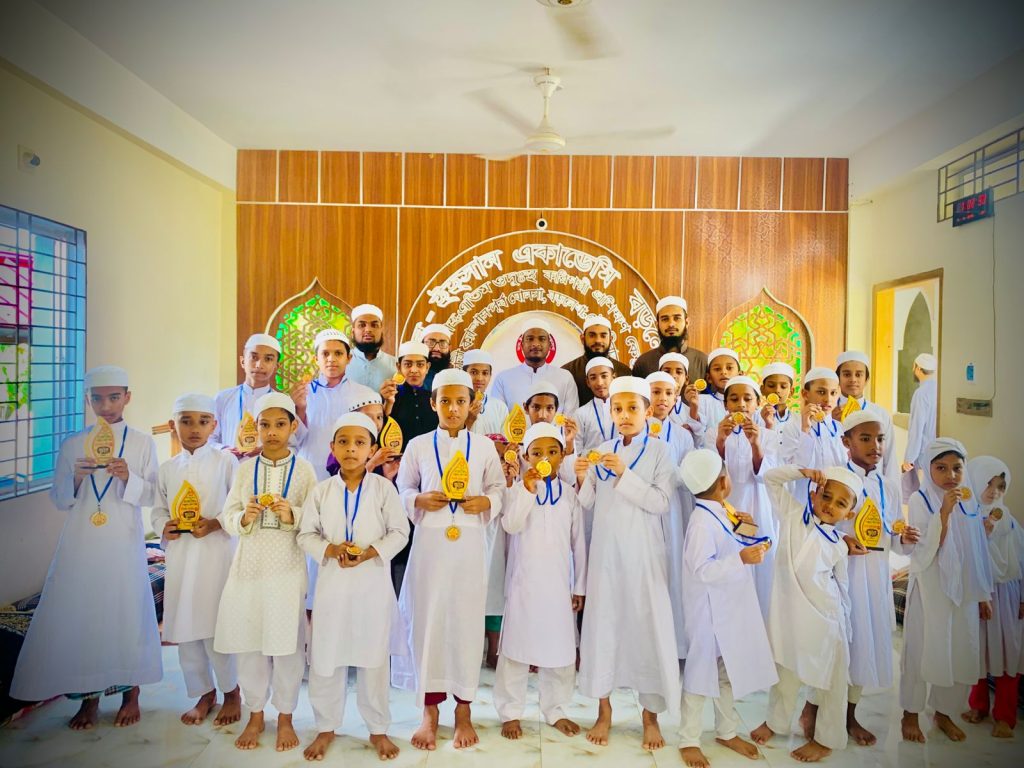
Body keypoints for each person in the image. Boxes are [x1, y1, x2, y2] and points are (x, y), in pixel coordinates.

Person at [11, 366, 161, 731]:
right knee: (86, 614)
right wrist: (76, 479)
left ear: (127, 397)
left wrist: (128, 477)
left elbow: (153, 495)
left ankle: (131, 693)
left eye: (114, 397)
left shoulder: (142, 443)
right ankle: (88, 698)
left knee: (126, 610)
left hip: (123, 541)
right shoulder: (73, 444)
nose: (106, 406)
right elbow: (60, 499)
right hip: (82, 543)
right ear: (87, 399)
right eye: (98, 398)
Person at [392, 369, 505, 750]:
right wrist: (417, 500)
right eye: (445, 401)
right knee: (429, 623)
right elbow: (403, 488)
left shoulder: (484, 447)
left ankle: (463, 710)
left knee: (465, 624)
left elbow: (498, 489)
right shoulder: (418, 445)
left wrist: (486, 501)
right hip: (430, 546)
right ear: (433, 403)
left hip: (470, 544)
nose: (453, 409)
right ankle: (429, 712)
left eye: (460, 401)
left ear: (472, 404)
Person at [800, 410, 920, 747]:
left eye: (880, 439)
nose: (874, 446)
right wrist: (842, 541)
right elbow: (817, 525)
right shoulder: (834, 480)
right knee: (835, 642)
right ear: (847, 442)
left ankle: (850, 715)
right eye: (865, 438)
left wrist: (904, 538)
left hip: (875, 574)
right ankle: (812, 708)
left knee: (864, 644)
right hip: (842, 572)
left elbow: (890, 533)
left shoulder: (888, 486)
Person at [573, 376, 680, 751]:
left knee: (645, 628)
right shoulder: (603, 449)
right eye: (617, 409)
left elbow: (660, 502)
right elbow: (588, 502)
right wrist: (583, 477)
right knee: (604, 627)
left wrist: (624, 474)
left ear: (648, 411)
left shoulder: (661, 451)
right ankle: (604, 712)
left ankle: (650, 717)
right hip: (606, 555)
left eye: (633, 408)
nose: (624, 415)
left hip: (644, 555)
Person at [298, 412, 409, 761]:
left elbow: (400, 532)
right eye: (343, 442)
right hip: (331, 587)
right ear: (332, 447)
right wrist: (331, 550)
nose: (351, 449)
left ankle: (378, 729)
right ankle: (326, 727)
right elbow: (305, 534)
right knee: (326, 657)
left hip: (372, 586)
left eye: (360, 443)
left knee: (373, 659)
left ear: (372, 449)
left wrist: (370, 553)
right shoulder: (321, 491)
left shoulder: (383, 489)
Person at [214, 392, 317, 752]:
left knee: (288, 646)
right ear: (255, 428)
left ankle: (285, 716)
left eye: (280, 424)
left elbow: (315, 519)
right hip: (249, 568)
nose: (272, 432)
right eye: (265, 425)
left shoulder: (304, 471)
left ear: (292, 427)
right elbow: (227, 516)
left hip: (287, 568)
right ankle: (255, 714)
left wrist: (294, 514)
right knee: (250, 643)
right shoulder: (244, 470)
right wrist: (243, 517)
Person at [752, 464, 862, 762]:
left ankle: (827, 739)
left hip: (825, 619)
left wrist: (843, 625)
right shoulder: (792, 514)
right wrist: (802, 473)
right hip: (790, 615)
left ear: (848, 514)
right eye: (826, 496)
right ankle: (775, 722)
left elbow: (842, 585)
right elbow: (770, 478)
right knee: (786, 672)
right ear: (814, 495)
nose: (830, 506)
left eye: (840, 503)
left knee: (831, 682)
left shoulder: (839, 545)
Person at [678, 449, 777, 768]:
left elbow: (730, 544)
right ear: (723, 482)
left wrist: (743, 531)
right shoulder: (701, 523)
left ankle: (726, 731)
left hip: (728, 611)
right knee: (699, 675)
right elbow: (702, 570)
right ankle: (688, 739)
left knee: (726, 672)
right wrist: (740, 559)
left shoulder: (721, 512)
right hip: (707, 614)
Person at [151, 394, 241, 727]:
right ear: (173, 425)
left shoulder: (226, 462)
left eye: (203, 422)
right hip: (181, 557)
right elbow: (158, 510)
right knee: (187, 630)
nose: (194, 429)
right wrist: (164, 525)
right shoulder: (167, 469)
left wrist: (216, 523)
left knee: (218, 629)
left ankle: (232, 691)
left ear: (213, 425)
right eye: (186, 421)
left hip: (217, 555)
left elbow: (238, 506)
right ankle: (204, 693)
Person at [495, 422, 587, 740]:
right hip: (523, 583)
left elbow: (579, 544)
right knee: (515, 650)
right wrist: (527, 490)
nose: (544, 458)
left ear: (562, 455)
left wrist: (580, 587)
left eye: (551, 451)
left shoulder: (570, 496)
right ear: (525, 456)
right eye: (536, 453)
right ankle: (510, 712)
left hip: (559, 585)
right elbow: (511, 525)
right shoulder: (517, 491)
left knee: (560, 649)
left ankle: (556, 709)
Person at [899, 438, 994, 744]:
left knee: (960, 648)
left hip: (964, 589)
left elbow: (977, 548)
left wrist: (983, 594)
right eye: (941, 468)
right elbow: (923, 551)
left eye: (957, 468)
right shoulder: (921, 500)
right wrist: (944, 513)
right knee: (921, 648)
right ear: (928, 469)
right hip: (931, 588)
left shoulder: (970, 500)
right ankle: (910, 712)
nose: (950, 475)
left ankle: (944, 712)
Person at [964, 456, 1021, 738]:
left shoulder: (1009, 522)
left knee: (1008, 652)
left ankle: (1005, 717)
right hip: (978, 593)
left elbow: (1021, 560)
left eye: (1001, 486)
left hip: (1007, 593)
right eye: (988, 484)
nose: (994, 492)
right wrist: (981, 532)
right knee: (978, 651)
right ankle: (978, 706)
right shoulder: (967, 519)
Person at [717, 375, 779, 616]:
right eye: (734, 399)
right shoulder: (714, 432)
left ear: (757, 403)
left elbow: (768, 477)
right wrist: (720, 441)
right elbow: (711, 474)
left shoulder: (770, 435)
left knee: (762, 571)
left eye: (747, 399)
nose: (741, 404)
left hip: (759, 507)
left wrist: (755, 444)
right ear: (725, 404)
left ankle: (762, 624)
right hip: (726, 509)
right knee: (729, 566)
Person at [646, 371, 696, 657]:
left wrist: (668, 472)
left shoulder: (682, 435)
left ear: (676, 398)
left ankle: (675, 646)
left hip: (674, 510)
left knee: (674, 570)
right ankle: (647, 647)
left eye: (668, 393)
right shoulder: (633, 431)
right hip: (644, 510)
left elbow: (688, 477)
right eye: (656, 392)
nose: (662, 399)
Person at [293, 328, 358, 482]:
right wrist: (299, 408)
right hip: (307, 471)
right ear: (316, 359)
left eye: (338, 353)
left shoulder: (363, 395)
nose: (331, 359)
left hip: (348, 473)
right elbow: (293, 439)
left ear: (349, 358)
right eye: (325, 353)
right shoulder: (302, 392)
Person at [781, 366, 846, 501]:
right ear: (805, 394)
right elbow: (794, 469)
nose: (828, 399)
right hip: (802, 500)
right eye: (821, 392)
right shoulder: (793, 427)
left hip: (835, 501)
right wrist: (805, 429)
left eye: (833, 393)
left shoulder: (841, 429)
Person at [210, 333, 281, 455]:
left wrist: (268, 450)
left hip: (266, 464)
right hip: (229, 464)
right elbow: (209, 438)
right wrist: (223, 450)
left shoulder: (281, 403)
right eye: (254, 357)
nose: (259, 365)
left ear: (276, 366)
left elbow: (292, 445)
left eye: (268, 359)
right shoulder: (222, 398)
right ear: (242, 361)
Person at [490, 318, 579, 414]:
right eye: (530, 339)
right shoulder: (503, 379)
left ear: (550, 345)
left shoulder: (565, 377)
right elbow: (497, 416)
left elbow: (570, 417)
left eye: (542, 339)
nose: (536, 344)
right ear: (522, 345)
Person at [835, 351, 897, 483]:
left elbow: (890, 458)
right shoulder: (828, 414)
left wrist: (892, 489)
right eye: (847, 374)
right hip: (838, 484)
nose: (853, 379)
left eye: (859, 374)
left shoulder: (880, 414)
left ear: (867, 379)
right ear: (838, 378)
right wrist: (830, 421)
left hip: (874, 483)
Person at [631, 296, 708, 381]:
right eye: (665, 319)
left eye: (677, 318)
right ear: (657, 325)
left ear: (686, 323)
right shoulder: (643, 362)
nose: (671, 324)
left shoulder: (702, 361)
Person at [561, 314, 631, 406]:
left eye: (603, 336)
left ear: (610, 339)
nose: (598, 340)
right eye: (592, 335)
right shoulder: (567, 372)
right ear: (582, 339)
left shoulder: (624, 372)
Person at [381, 340, 437, 444]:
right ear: (399, 367)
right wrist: (388, 403)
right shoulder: (389, 395)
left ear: (427, 367)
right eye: (408, 364)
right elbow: (381, 429)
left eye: (420, 364)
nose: (414, 370)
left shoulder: (435, 399)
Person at [902, 353, 938, 498]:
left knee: (921, 498)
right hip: (938, 452)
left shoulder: (921, 394)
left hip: (923, 455)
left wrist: (909, 458)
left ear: (917, 368)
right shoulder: (940, 390)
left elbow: (917, 429)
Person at [346, 303, 399, 392]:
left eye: (374, 325)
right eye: (362, 325)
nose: (368, 330)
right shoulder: (341, 363)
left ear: (381, 330)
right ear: (353, 331)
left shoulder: (395, 365)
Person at [572, 357, 617, 457]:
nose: (599, 383)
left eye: (604, 376)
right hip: (590, 466)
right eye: (593, 378)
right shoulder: (580, 414)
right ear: (588, 382)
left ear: (613, 377)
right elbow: (576, 452)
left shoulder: (625, 410)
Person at [463, 348, 509, 435]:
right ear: (464, 374)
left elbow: (505, 440)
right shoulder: (455, 405)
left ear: (490, 376)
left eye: (485, 373)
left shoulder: (500, 407)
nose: (479, 378)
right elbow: (450, 440)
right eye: (474, 372)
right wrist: (469, 420)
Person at [660, 352, 702, 438]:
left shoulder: (690, 411)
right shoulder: (648, 410)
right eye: (667, 372)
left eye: (678, 372)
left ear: (686, 380)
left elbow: (699, 443)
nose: (673, 376)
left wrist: (694, 408)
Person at [759, 362, 796, 454]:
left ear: (791, 392)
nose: (777, 390)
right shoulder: (755, 417)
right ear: (762, 390)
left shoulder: (799, 420)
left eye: (783, 386)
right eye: (771, 386)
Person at [419, 323, 452, 391]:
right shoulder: (411, 376)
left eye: (443, 343)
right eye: (430, 343)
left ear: (449, 348)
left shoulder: (455, 376)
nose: (437, 348)